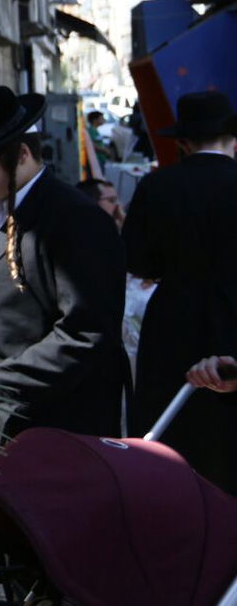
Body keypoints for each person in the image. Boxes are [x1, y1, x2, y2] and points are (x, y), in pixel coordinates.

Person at [0, 86, 127, 439]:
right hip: (3, 419)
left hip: (60, 424)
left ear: (22, 154)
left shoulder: (76, 219)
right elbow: (16, 281)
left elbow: (88, 331)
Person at [121, 89, 237, 493]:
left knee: (172, 449)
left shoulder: (157, 187)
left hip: (172, 327)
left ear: (184, 143)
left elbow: (136, 261)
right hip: (232, 331)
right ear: (232, 139)